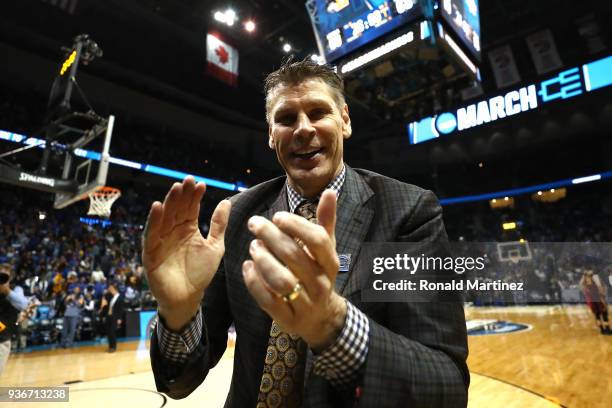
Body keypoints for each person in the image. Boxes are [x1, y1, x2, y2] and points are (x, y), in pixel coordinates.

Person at [144, 59, 469, 407]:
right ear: (270, 134)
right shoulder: (237, 215)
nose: (303, 129)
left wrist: (332, 325)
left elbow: (446, 387)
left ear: (344, 120)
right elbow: (178, 383)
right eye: (285, 119)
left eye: (318, 113)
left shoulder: (408, 212)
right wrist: (179, 312)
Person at [0, 263, 28, 376]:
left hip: (2, 339)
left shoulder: (16, 289)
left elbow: (23, 304)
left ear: (10, 277)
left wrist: (6, 291)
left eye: (5, 275)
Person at [579, 268, 610, 335]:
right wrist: (604, 301)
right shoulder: (594, 282)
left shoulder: (584, 284)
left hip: (591, 302)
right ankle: (607, 329)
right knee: (604, 315)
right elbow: (601, 292)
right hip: (598, 300)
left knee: (597, 316)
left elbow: (585, 293)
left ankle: (602, 330)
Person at [105, 282, 124, 352]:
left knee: (112, 332)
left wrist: (120, 318)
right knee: (108, 332)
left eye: (111, 289)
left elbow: (121, 309)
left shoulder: (120, 298)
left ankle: (113, 347)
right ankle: (110, 346)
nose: (110, 290)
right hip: (109, 316)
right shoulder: (111, 297)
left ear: (115, 289)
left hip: (115, 317)